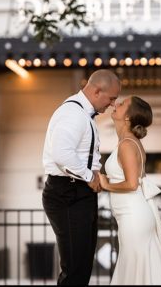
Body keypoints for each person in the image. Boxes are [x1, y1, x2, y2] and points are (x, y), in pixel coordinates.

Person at [42, 69, 121, 285]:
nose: (113, 104)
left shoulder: (83, 114)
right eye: (112, 98)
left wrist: (90, 177)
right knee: (75, 269)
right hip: (68, 193)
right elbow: (61, 153)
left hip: (78, 192)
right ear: (96, 91)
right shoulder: (73, 114)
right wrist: (89, 176)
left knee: (83, 266)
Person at [98, 96, 161, 285]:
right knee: (135, 270)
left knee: (134, 269)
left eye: (122, 104)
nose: (116, 104)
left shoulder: (127, 144)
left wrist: (105, 184)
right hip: (131, 216)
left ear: (128, 117)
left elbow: (132, 184)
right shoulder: (127, 142)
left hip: (134, 218)